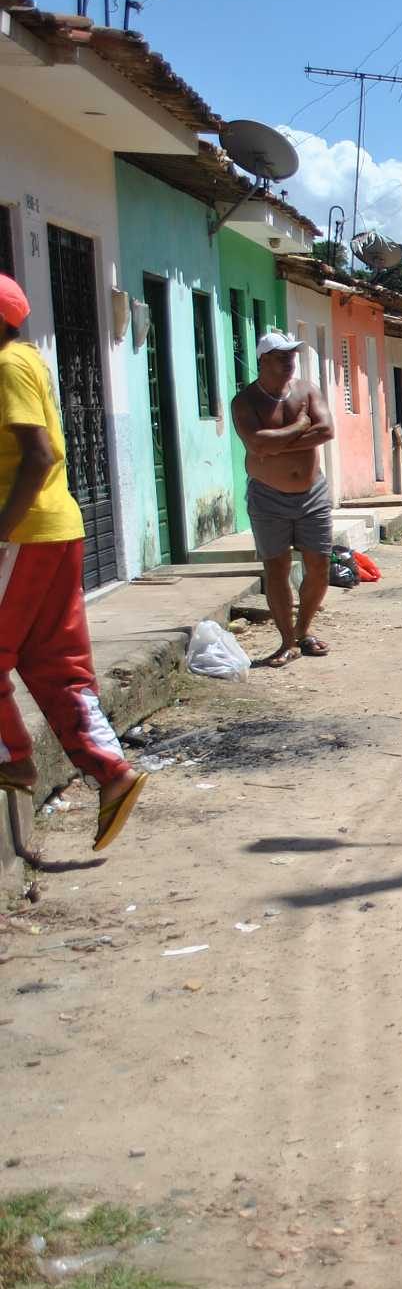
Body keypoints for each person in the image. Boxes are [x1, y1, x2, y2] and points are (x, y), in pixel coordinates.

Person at [0, 273, 146, 854]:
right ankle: (112, 772)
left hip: (25, 534)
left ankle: (13, 759)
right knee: (56, 664)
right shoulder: (29, 359)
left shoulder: (7, 365)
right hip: (57, 528)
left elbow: (35, 455)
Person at [232, 331, 336, 669]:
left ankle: (304, 631)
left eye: (292, 355)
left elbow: (326, 430)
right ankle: (286, 641)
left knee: (319, 565)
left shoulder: (307, 390)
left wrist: (275, 443)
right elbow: (256, 443)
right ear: (263, 360)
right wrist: (299, 426)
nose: (290, 361)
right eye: (281, 356)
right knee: (276, 568)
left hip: (312, 494)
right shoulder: (246, 401)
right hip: (267, 498)